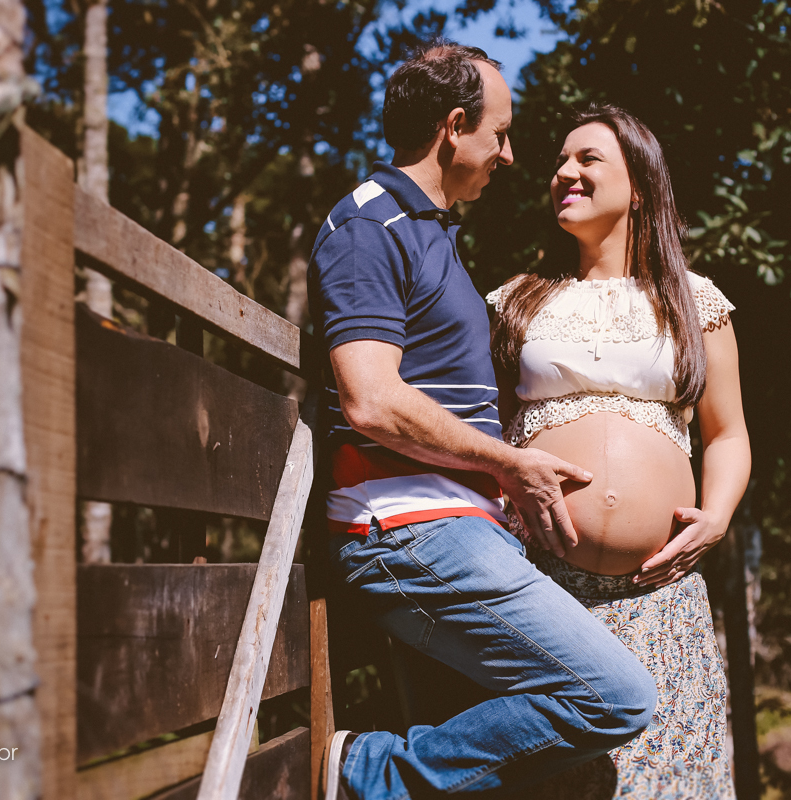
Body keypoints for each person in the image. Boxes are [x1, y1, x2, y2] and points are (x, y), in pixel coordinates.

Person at [308, 42, 658, 800]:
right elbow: (371, 398)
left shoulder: (428, 232)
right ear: (454, 126)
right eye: (500, 134)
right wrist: (506, 461)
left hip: (454, 530)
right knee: (618, 696)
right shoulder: (370, 225)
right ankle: (367, 772)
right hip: (407, 531)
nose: (509, 155)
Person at [486, 102, 752, 798]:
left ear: (639, 186)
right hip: (543, 591)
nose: (565, 172)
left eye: (588, 158)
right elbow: (488, 432)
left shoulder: (693, 302)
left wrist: (717, 517)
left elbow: (728, 433)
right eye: (560, 161)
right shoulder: (518, 301)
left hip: (659, 598)